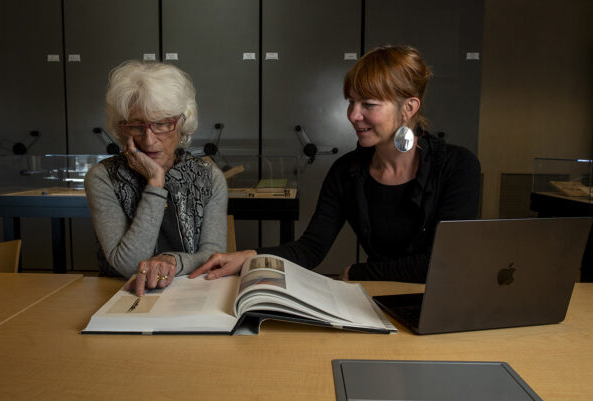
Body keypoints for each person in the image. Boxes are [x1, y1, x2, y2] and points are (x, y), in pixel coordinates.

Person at [191, 45, 480, 283]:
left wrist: (358, 272)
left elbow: (443, 263)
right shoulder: (347, 171)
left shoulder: (457, 166)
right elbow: (310, 248)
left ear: (409, 108)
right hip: (379, 298)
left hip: (440, 303)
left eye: (368, 104)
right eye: (351, 102)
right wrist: (249, 256)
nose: (353, 115)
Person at [85, 60, 228, 296]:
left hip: (193, 296)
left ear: (182, 123)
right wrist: (155, 182)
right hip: (123, 296)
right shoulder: (103, 178)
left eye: (162, 124)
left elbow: (213, 257)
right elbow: (128, 265)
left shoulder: (209, 177)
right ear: (122, 128)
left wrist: (170, 260)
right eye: (136, 126)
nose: (149, 140)